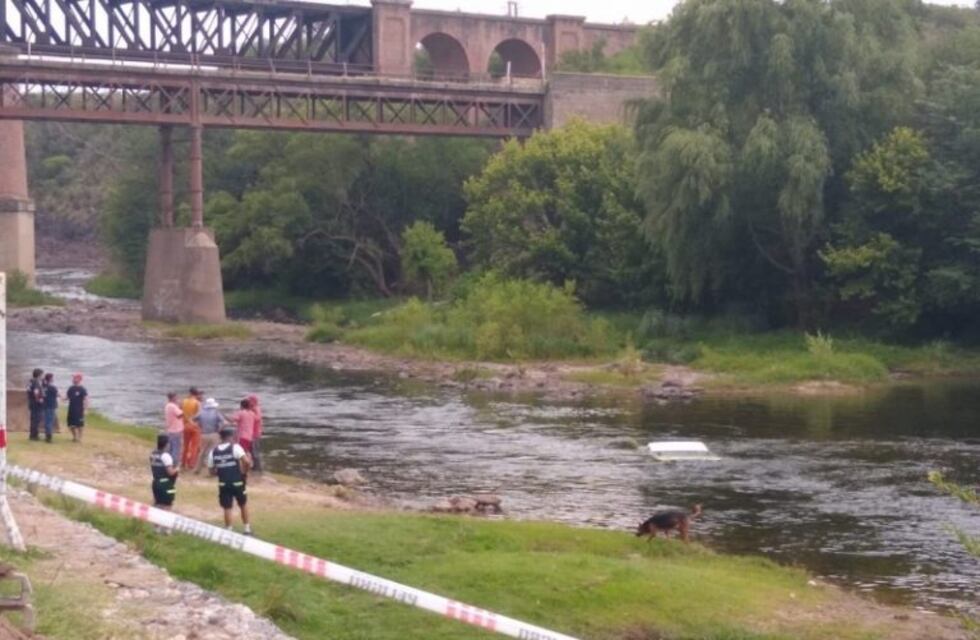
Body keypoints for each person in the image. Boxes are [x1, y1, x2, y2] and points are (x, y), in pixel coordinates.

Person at [208, 427, 252, 535]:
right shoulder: (235, 447)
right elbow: (246, 462)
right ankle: (247, 529)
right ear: (231, 437)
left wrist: (221, 471)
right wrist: (244, 472)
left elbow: (211, 471)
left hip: (223, 483)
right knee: (243, 504)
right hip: (237, 482)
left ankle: (229, 530)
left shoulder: (213, 451)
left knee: (227, 507)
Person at [150, 434, 178, 534]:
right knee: (167, 506)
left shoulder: (153, 454)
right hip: (166, 483)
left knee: (157, 504)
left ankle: (156, 527)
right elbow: (170, 472)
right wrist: (177, 469)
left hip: (155, 482)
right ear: (166, 444)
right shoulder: (166, 456)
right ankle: (167, 529)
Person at [194, 397, 229, 474]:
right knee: (213, 452)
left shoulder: (201, 412)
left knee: (202, 452)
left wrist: (199, 426)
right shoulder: (216, 412)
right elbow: (225, 423)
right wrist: (219, 430)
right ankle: (211, 470)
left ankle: (197, 469)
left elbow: (193, 419)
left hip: (203, 434)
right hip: (214, 434)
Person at [181, 387, 203, 470]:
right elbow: (199, 414)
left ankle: (183, 462)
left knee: (185, 445)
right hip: (195, 426)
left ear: (190, 393)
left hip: (185, 425)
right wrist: (193, 419)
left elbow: (181, 412)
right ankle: (191, 464)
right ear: (196, 394)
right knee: (194, 446)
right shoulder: (197, 403)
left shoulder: (184, 401)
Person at [65, 373, 88, 443]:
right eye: (73, 378)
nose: (73, 379)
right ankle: (74, 436)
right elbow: (67, 397)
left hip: (79, 409)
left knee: (80, 425)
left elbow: (86, 399)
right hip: (71, 409)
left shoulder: (82, 389)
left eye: (75, 378)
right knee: (71, 425)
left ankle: (80, 438)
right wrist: (61, 398)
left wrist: (85, 409)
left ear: (79, 379)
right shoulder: (71, 388)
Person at [164, 392, 184, 463]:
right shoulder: (173, 406)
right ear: (173, 398)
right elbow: (180, 415)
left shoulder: (167, 405)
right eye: (176, 397)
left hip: (170, 429)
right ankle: (174, 462)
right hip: (176, 430)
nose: (177, 399)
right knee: (176, 447)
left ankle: (168, 461)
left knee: (171, 447)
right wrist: (181, 407)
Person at [26, 368, 44, 441]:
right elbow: (36, 392)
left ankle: (32, 435)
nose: (42, 376)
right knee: (36, 419)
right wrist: (39, 400)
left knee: (33, 419)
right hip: (36, 403)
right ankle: (34, 436)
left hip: (31, 402)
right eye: (42, 375)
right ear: (39, 375)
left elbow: (28, 390)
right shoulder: (36, 382)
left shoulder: (30, 381)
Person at [247, 394, 263, 474]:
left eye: (249, 400)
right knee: (251, 451)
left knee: (255, 451)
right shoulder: (252, 409)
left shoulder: (256, 409)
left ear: (253, 401)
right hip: (252, 433)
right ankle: (254, 466)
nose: (248, 402)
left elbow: (257, 418)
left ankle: (258, 468)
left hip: (255, 434)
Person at [41, 372, 58, 443]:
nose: (53, 379)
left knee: (46, 421)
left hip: (45, 405)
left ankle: (47, 436)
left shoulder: (44, 386)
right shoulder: (52, 387)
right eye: (52, 378)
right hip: (51, 405)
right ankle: (49, 438)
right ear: (50, 379)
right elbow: (56, 394)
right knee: (50, 421)